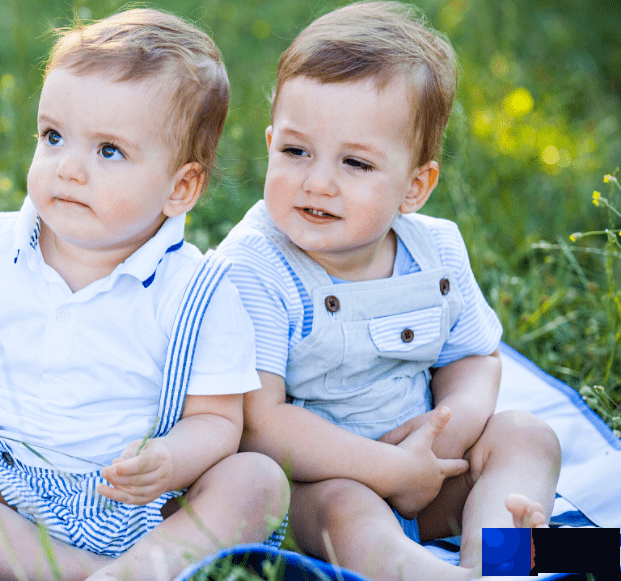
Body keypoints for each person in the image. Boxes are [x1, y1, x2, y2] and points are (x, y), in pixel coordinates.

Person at [0, 9, 288, 581]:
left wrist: (168, 461)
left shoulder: (199, 291)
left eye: (108, 151)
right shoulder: (1, 249)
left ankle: (147, 564)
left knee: (257, 481)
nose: (68, 168)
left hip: (145, 498)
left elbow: (216, 422)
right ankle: (82, 574)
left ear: (180, 187)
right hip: (17, 482)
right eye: (53, 136)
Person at [216, 2, 562, 580]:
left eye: (355, 163)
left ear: (415, 186)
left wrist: (440, 435)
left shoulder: (438, 251)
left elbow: (475, 359)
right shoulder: (253, 265)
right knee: (345, 512)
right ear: (271, 141)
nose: (318, 181)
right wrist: (388, 469)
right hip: (322, 482)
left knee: (526, 433)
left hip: (427, 470)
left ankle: (502, 554)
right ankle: (427, 573)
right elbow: (261, 424)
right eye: (295, 151)